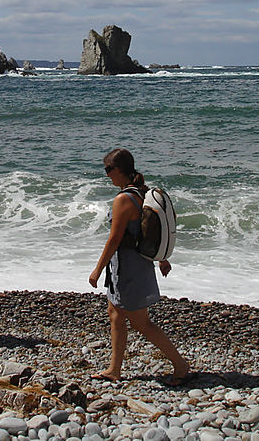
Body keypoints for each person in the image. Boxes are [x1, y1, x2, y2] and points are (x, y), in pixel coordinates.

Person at [88, 148, 190, 384]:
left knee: (140, 322)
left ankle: (181, 366)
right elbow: (152, 229)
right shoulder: (143, 193)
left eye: (108, 170)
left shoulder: (124, 199)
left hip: (129, 267)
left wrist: (97, 269)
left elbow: (115, 238)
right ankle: (114, 369)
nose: (106, 175)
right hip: (133, 264)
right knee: (115, 314)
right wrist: (162, 258)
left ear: (120, 170)